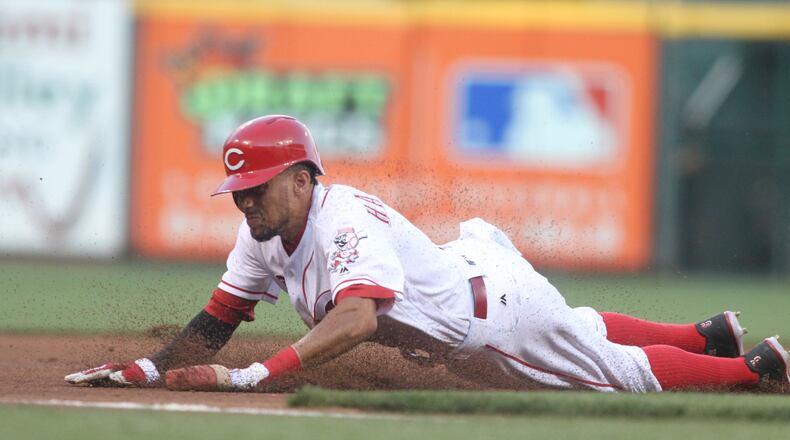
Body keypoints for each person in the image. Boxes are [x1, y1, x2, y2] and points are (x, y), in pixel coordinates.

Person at [65, 115, 789, 393]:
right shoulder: (261, 235)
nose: (246, 201)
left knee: (617, 379)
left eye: (258, 187)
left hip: (492, 322)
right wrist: (148, 367)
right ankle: (708, 333)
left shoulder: (340, 223)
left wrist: (254, 375)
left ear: (302, 177)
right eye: (238, 190)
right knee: (580, 327)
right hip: (480, 277)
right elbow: (219, 316)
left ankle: (752, 370)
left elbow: (354, 321)